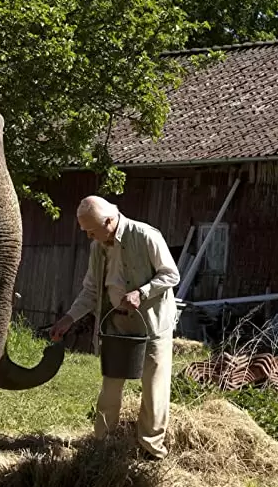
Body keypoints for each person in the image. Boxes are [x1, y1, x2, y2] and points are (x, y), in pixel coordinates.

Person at [50, 195, 180, 460]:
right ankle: (102, 443)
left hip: (152, 324)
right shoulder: (98, 246)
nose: (89, 237)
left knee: (154, 389)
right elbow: (91, 290)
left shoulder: (145, 235)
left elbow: (171, 274)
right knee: (111, 386)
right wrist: (68, 319)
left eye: (92, 231)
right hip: (117, 324)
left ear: (110, 221)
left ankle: (151, 450)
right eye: (86, 232)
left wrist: (142, 293)